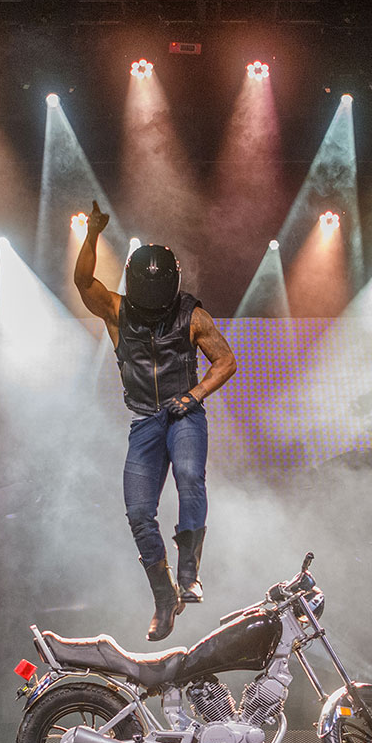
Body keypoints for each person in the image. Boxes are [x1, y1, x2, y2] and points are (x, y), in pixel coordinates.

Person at [74, 200, 237, 641]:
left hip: (183, 415)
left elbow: (225, 361)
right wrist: (91, 235)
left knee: (189, 477)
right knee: (139, 512)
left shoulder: (192, 315)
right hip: (144, 421)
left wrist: (195, 394)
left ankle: (189, 576)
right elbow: (82, 280)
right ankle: (165, 598)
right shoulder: (116, 310)